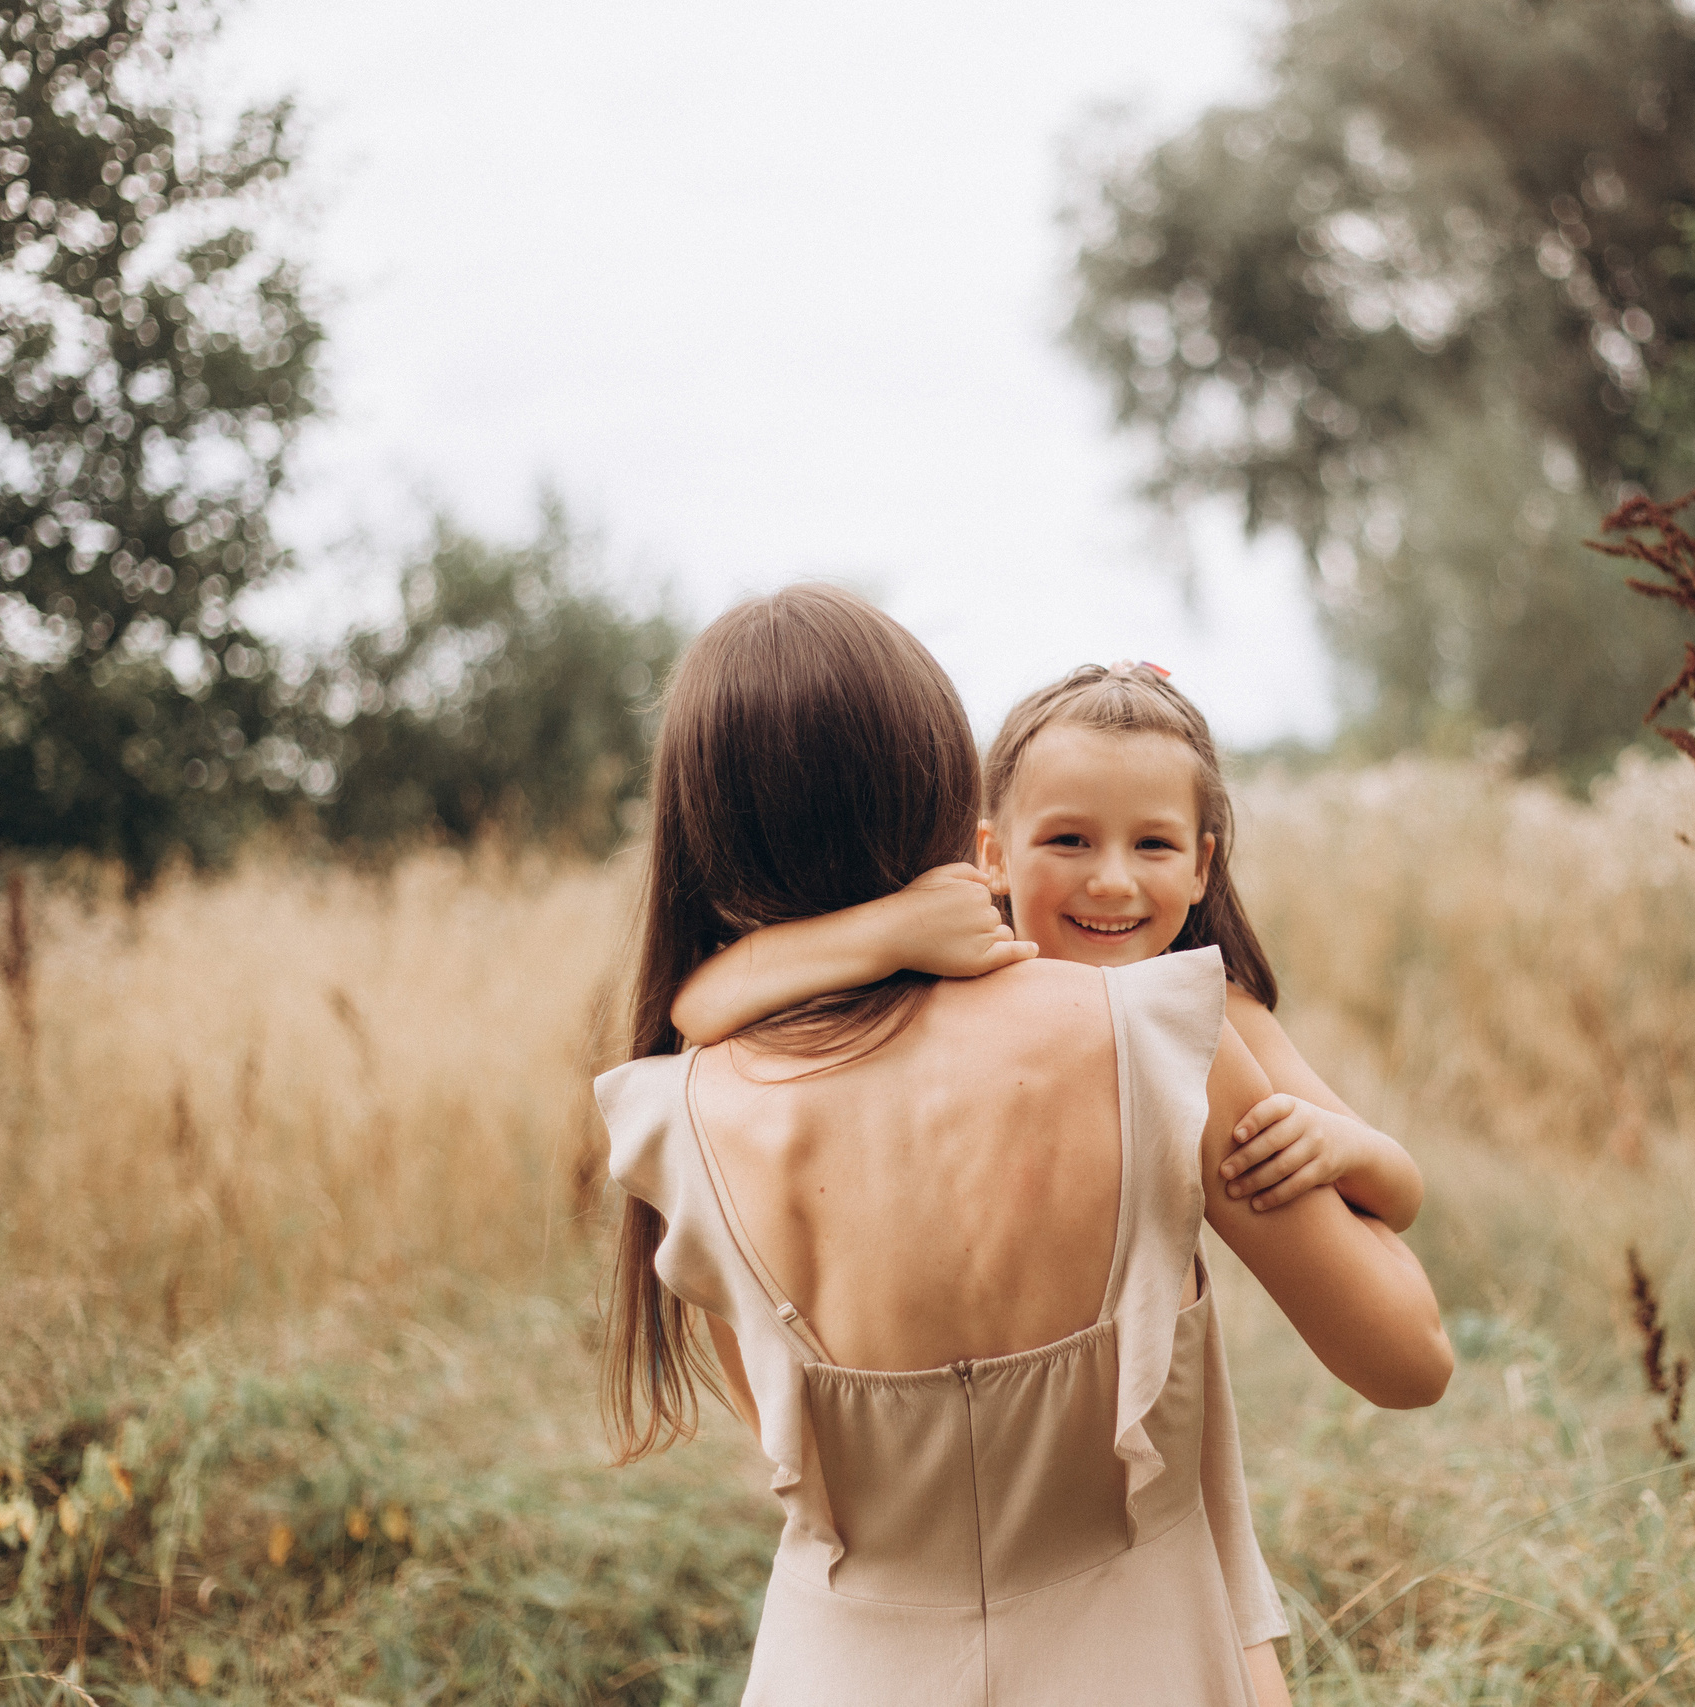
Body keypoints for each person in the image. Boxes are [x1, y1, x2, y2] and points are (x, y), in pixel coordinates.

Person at [596, 587, 1452, 1706]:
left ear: (698, 832)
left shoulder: (673, 1115)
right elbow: (1408, 1359)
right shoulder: (1154, 1037)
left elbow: (782, 1449)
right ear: (952, 803)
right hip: (1138, 1659)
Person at [672, 661, 1423, 1227]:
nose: (1111, 881)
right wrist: (890, 928)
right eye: (1070, 839)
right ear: (992, 853)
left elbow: (1401, 1189)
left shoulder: (1220, 1017)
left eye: (1153, 845)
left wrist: (1338, 1145)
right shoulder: (962, 977)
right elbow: (700, 1005)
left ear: (1201, 866)